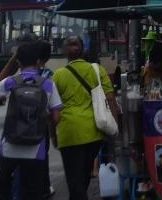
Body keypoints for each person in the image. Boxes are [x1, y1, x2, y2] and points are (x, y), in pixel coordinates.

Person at [0, 39, 61, 200]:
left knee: (2, 180)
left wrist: (10, 63)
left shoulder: (11, 82)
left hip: (10, 146)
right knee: (34, 190)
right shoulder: (48, 84)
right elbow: (57, 116)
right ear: (38, 61)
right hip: (36, 147)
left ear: (18, 62)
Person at [54, 35, 119, 200]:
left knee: (75, 182)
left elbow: (52, 110)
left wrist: (53, 135)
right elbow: (111, 99)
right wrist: (115, 127)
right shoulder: (97, 70)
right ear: (83, 50)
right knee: (82, 179)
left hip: (69, 134)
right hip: (94, 133)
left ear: (64, 51)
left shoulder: (58, 75)